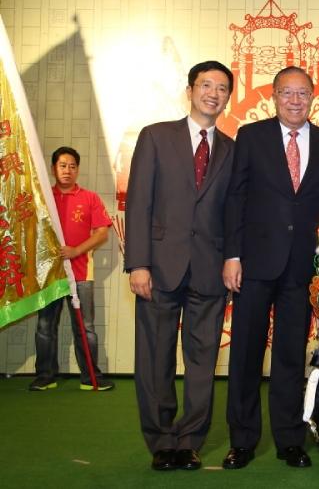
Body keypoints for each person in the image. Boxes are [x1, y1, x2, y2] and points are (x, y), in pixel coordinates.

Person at [221, 66, 319, 470]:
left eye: (303, 93)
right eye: (287, 92)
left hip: (299, 266)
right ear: (274, 95)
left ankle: (289, 439)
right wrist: (232, 255)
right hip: (253, 262)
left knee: (289, 356)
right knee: (246, 355)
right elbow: (235, 198)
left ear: (312, 97)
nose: (295, 100)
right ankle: (243, 440)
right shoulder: (251, 137)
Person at [124, 60, 235, 471]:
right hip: (158, 267)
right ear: (189, 90)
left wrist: (231, 259)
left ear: (228, 97)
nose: (213, 93)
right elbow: (138, 202)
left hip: (209, 271)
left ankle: (189, 441)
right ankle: (160, 440)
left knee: (203, 362)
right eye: (206, 85)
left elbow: (233, 214)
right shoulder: (156, 137)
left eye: (222, 88)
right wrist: (138, 263)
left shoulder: (232, 149)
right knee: (154, 358)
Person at [29, 147, 114, 392]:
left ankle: (90, 377)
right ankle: (45, 376)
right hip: (49, 275)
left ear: (78, 169)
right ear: (54, 168)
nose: (68, 170)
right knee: (45, 326)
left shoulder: (90, 198)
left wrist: (76, 251)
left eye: (72, 166)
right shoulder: (43, 198)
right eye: (62, 165)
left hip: (81, 274)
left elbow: (101, 233)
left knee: (85, 327)